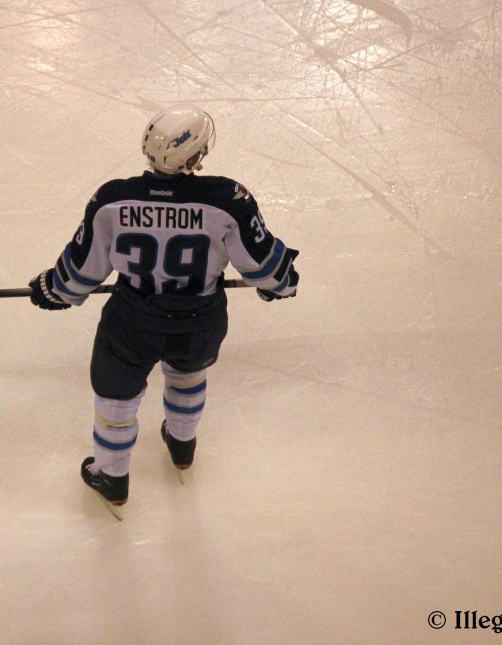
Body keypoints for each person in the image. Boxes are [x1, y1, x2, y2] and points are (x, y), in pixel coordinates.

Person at [28, 105, 299, 511]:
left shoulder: (112, 199)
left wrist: (54, 289)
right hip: (200, 319)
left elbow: (84, 269)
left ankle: (111, 475)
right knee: (187, 375)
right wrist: (281, 284)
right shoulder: (228, 200)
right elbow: (263, 265)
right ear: (195, 156)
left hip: (131, 320)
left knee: (117, 396)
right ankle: (182, 443)